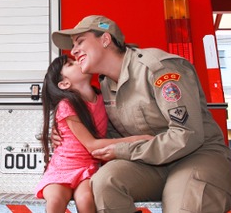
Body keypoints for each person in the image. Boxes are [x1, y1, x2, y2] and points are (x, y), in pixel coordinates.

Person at [50, 15, 231, 213]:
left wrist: (125, 151)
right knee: (104, 182)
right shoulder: (106, 84)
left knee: (184, 206)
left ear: (105, 40)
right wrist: (67, 134)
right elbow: (109, 135)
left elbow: (187, 135)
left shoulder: (158, 68)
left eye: (79, 42)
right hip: (150, 164)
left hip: (196, 156)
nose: (74, 51)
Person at [35, 54, 153, 213]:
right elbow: (92, 145)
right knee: (55, 201)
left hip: (87, 168)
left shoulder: (102, 100)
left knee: (86, 200)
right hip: (62, 168)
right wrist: (138, 139)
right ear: (64, 84)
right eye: (70, 64)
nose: (78, 61)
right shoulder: (66, 105)